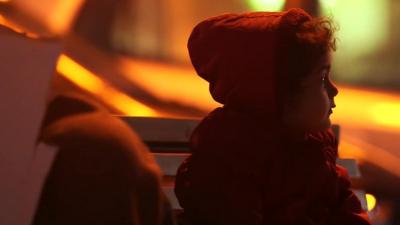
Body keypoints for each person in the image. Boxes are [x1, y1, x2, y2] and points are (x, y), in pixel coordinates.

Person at [174, 8, 371, 225]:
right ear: (281, 93)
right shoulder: (230, 159)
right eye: (322, 78)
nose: (334, 90)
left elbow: (346, 214)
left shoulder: (316, 148)